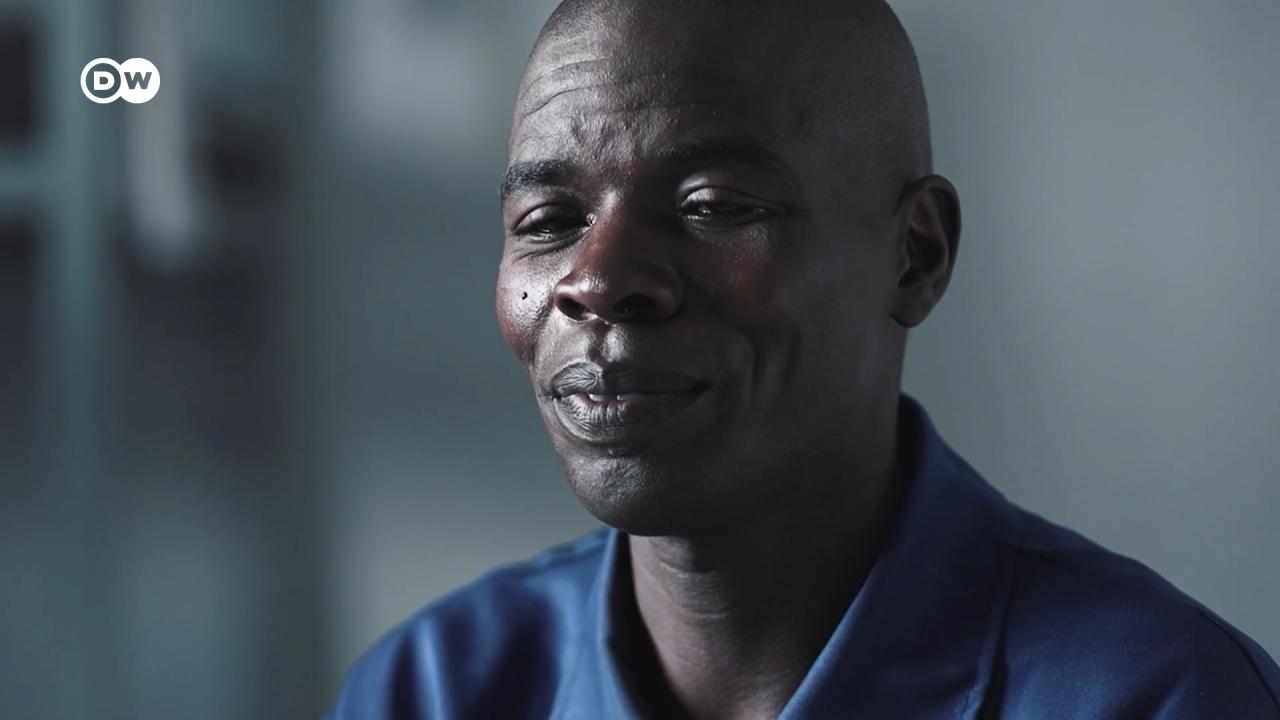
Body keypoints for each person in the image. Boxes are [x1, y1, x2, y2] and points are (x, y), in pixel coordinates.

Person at [329, 0, 1280, 717]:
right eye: (548, 220)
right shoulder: (430, 689)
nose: (599, 279)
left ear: (915, 255)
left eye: (712, 205)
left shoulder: (1158, 696)